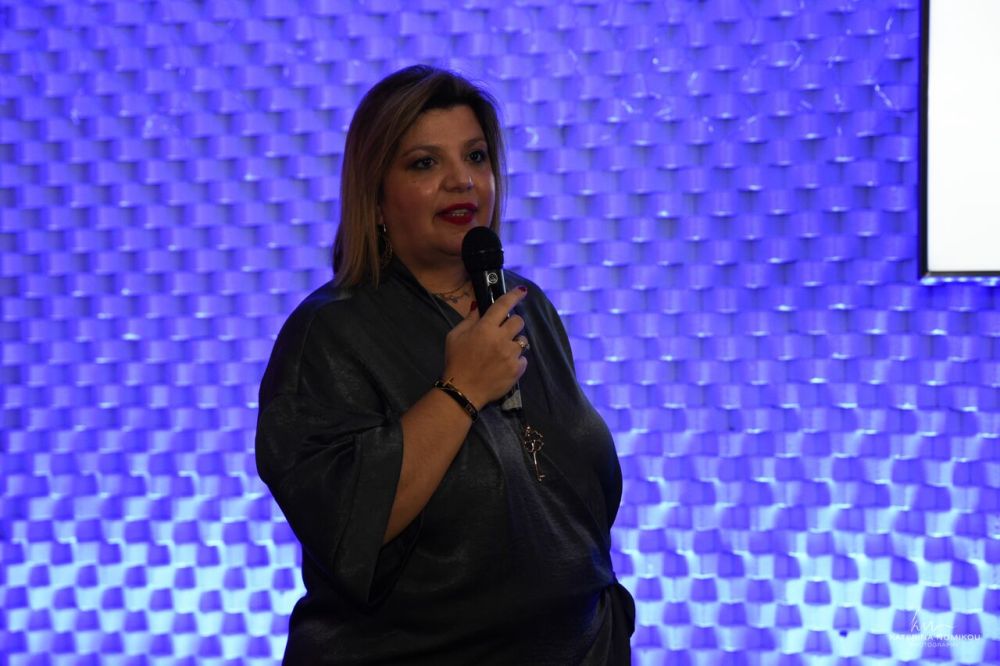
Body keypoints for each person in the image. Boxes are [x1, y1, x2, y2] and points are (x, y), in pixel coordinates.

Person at [255, 64, 635, 665]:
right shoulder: (328, 333)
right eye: (425, 163)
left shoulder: (526, 308)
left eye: (476, 157)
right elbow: (347, 523)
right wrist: (461, 389)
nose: (463, 181)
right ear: (376, 196)